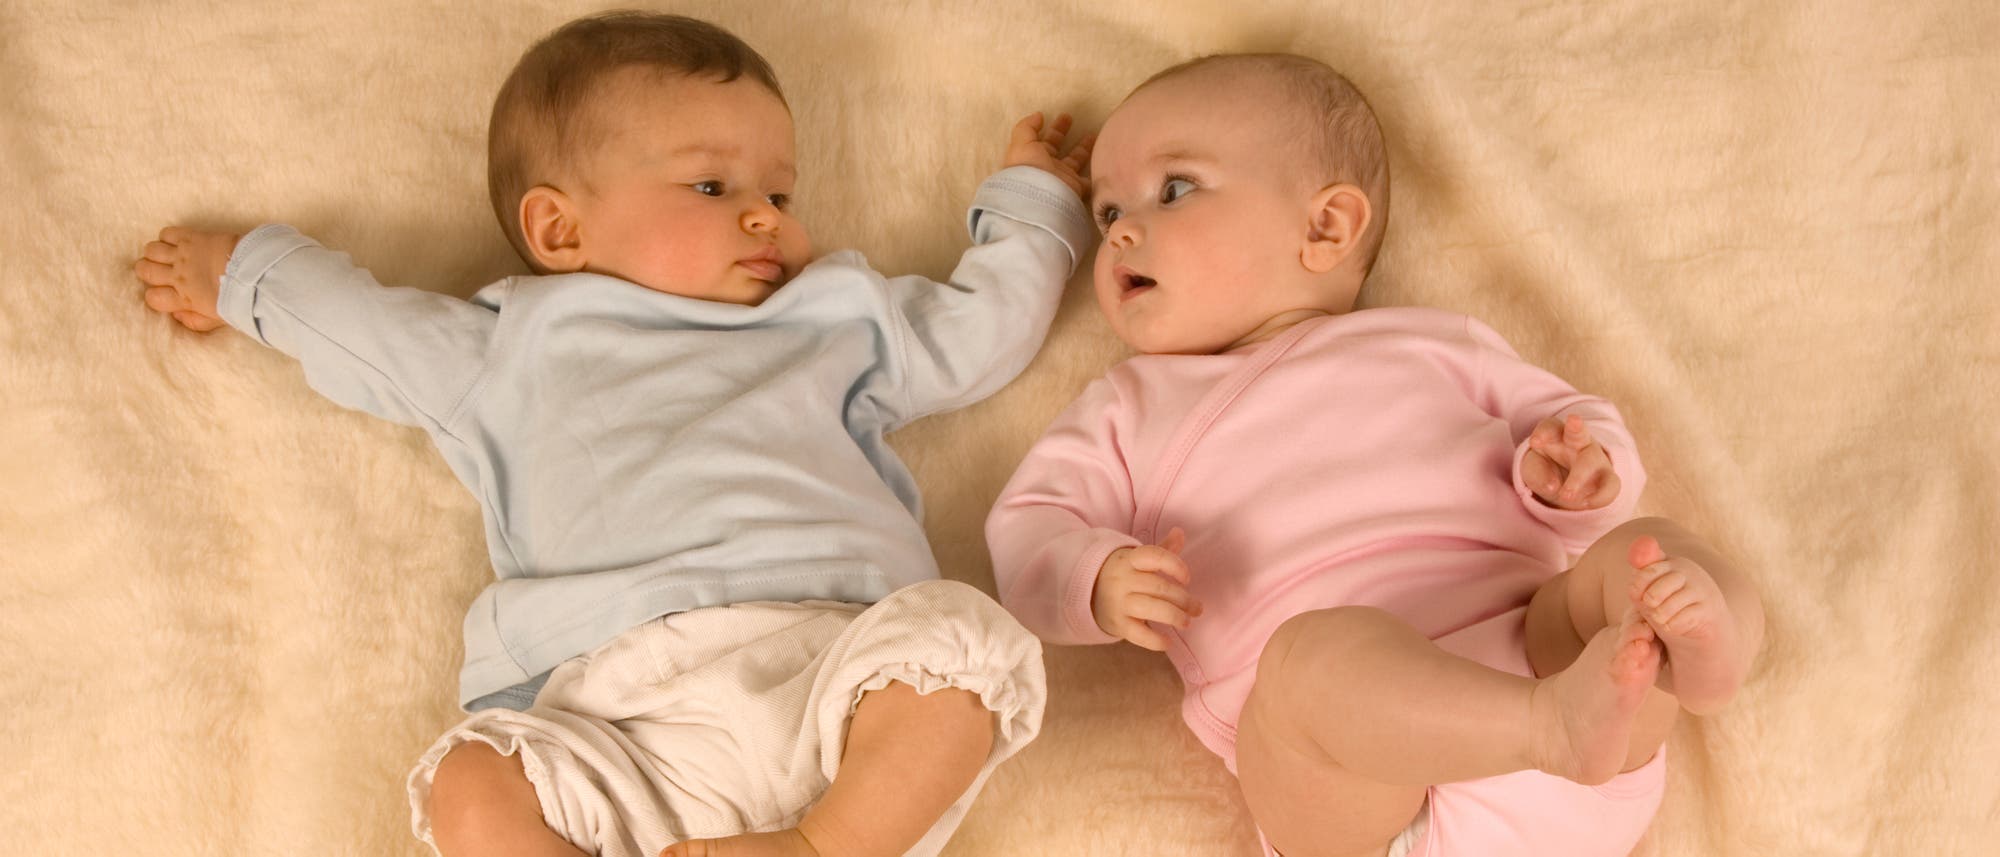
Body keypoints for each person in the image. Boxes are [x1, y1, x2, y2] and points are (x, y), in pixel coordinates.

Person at [133, 12, 1095, 857]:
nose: (765, 214)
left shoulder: (832, 318)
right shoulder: (511, 348)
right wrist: (244, 274)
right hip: (616, 716)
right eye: (711, 188)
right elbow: (365, 325)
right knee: (474, 779)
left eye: (781, 192)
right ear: (558, 232)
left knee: (963, 644)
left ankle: (823, 846)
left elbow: (976, 335)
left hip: (834, 685)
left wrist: (1031, 206)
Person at [986, 53, 1764, 857]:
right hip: (1372, 792)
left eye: (1173, 189)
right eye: (1107, 210)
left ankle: (1707, 655)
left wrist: (1576, 475)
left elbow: (1573, 426)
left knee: (1642, 555)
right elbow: (1029, 525)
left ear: (1325, 227)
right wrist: (1094, 577)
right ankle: (1549, 725)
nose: (1121, 230)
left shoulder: (1431, 342)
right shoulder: (1128, 407)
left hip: (1551, 660)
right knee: (1305, 663)